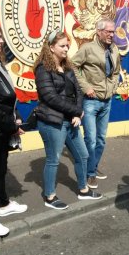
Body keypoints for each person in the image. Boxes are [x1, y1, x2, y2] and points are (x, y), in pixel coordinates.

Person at [34, 30, 102, 210]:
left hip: (70, 120)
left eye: (67, 45)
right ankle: (49, 196)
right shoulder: (43, 68)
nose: (66, 49)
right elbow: (50, 97)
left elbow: (78, 91)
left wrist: (77, 111)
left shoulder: (68, 67)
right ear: (51, 47)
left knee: (83, 155)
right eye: (62, 46)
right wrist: (76, 111)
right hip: (52, 122)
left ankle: (83, 190)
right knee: (53, 159)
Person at [0, 22, 27, 237]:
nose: (1, 41)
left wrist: (16, 119)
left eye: (1, 37)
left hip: (1, 128)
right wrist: (12, 125)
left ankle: (3, 204)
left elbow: (9, 98)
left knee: (1, 169)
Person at [72, 18, 121, 189]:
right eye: (108, 31)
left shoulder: (114, 50)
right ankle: (89, 174)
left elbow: (115, 72)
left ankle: (92, 166)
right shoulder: (87, 48)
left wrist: (114, 86)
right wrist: (85, 86)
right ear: (99, 32)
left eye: (113, 32)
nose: (111, 35)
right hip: (91, 102)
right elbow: (72, 66)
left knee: (101, 140)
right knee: (91, 139)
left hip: (107, 102)